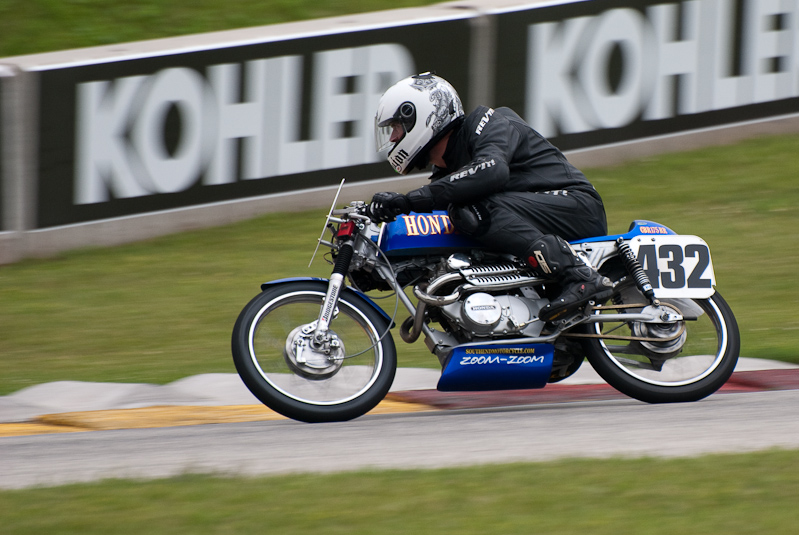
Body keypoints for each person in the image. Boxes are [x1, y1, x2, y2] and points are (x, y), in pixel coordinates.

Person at [368, 72, 612, 322]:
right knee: (459, 219)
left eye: (396, 127)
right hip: (541, 215)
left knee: (473, 209)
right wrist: (382, 266)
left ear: (422, 116)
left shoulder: (488, 122)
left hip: (575, 205)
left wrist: (409, 200)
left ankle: (580, 277)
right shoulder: (446, 172)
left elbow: (492, 170)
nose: (394, 138)